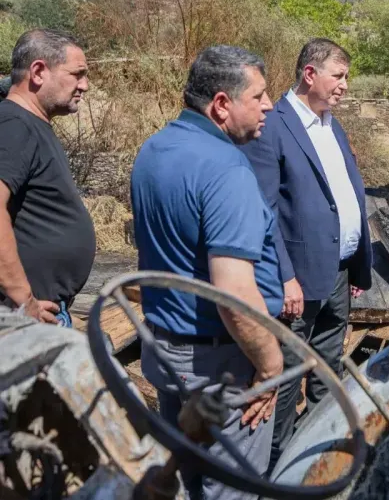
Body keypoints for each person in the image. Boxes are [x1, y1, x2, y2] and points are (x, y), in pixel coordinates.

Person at [130, 45, 284, 500]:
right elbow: (233, 293)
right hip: (222, 365)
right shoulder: (226, 170)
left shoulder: (155, 148)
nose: (270, 105)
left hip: (166, 350)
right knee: (230, 489)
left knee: (185, 476)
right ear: (221, 104)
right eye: (258, 96)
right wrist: (270, 366)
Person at [241, 37, 372, 471]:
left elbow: (342, 195)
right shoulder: (273, 126)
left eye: (347, 77)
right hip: (297, 279)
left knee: (327, 370)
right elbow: (264, 210)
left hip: (337, 275)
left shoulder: (331, 124)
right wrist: (283, 276)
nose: (345, 86)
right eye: (339, 76)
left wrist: (354, 262)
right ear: (309, 74)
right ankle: (273, 465)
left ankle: (310, 459)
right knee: (289, 369)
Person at [0, 29, 94, 327]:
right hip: (23, 320)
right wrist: (22, 299)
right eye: (77, 74)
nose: (85, 85)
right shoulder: (15, 125)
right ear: (39, 71)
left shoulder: (29, 123)